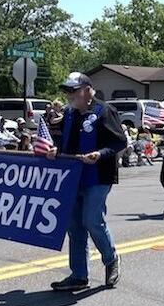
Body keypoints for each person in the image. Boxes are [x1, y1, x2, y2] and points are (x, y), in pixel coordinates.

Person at [46, 72, 123, 291]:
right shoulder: (70, 113)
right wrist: (56, 150)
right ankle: (79, 275)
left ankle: (111, 259)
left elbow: (119, 142)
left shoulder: (104, 111)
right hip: (73, 178)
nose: (70, 95)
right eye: (68, 91)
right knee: (74, 226)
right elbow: (67, 144)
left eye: (74, 90)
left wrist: (99, 154)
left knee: (92, 220)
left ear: (88, 90)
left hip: (98, 176)